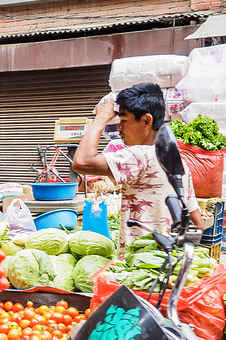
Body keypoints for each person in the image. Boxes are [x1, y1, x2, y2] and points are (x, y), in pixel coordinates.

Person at [74, 83, 203, 256]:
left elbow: (81, 162)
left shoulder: (139, 155)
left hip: (139, 267)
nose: (119, 127)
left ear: (146, 121)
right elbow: (198, 224)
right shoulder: (176, 162)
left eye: (124, 120)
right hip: (168, 263)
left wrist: (101, 119)